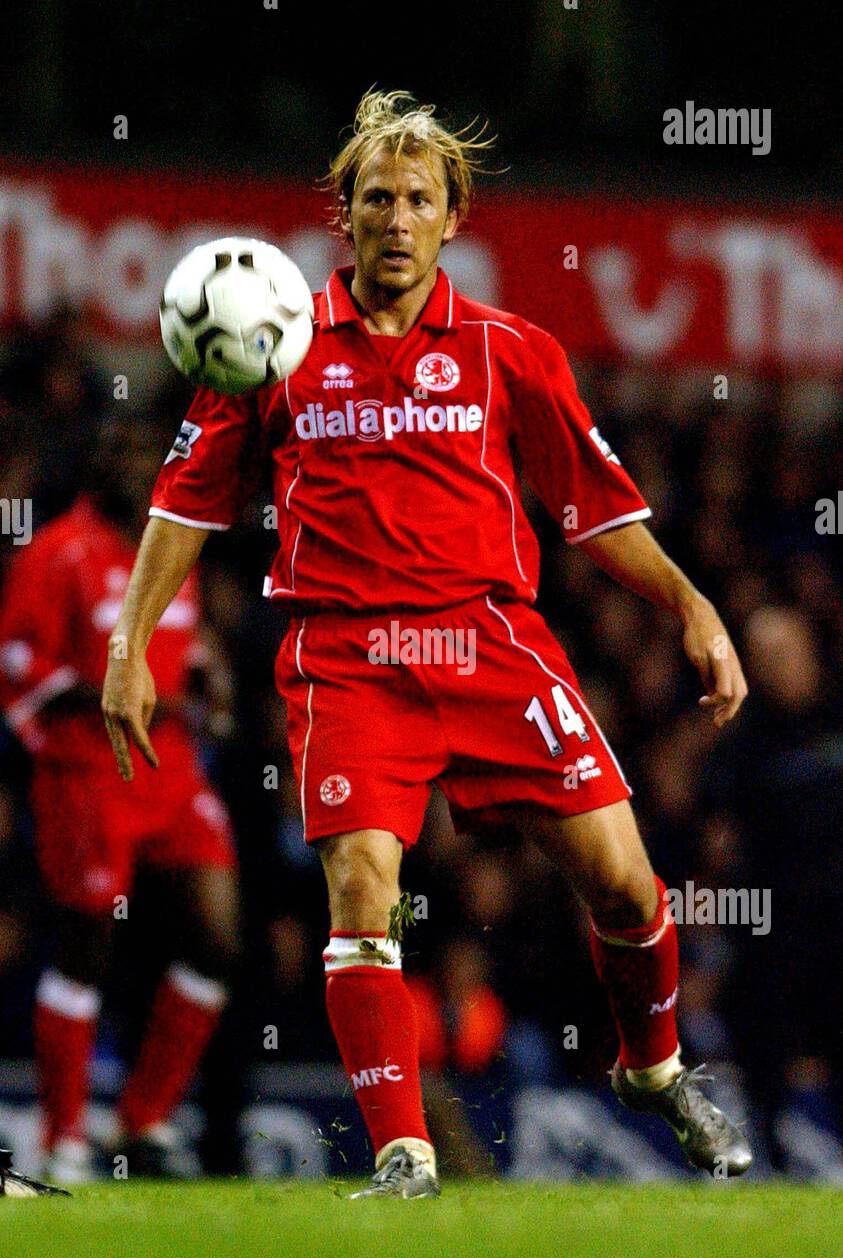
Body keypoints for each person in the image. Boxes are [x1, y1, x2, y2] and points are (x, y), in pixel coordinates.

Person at [101, 90, 751, 1198]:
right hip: (346, 657)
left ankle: (657, 1068)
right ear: (341, 216)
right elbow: (187, 504)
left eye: (416, 199)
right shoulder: (272, 347)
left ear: (453, 218)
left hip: (491, 643)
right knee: (361, 887)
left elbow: (594, 505)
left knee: (630, 890)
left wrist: (691, 603)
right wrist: (128, 644)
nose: (394, 217)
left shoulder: (514, 350)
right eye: (374, 198)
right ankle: (404, 1154)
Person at [0, 419, 241, 1184]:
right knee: (85, 950)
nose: (141, 471)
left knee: (216, 942)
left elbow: (184, 640)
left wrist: (207, 675)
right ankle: (63, 1137)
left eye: (152, 457)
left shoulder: (167, 546)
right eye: (125, 454)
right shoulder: (57, 552)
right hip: (88, 773)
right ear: (96, 465)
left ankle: (143, 1119)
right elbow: (16, 663)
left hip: (171, 773)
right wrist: (110, 697)